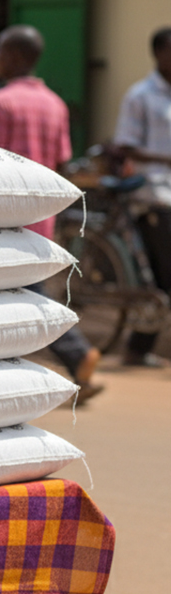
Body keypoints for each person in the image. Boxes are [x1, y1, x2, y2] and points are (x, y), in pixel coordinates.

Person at [0, 25, 102, 400]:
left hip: (2, 217)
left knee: (18, 294)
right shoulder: (55, 104)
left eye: (0, 51)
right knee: (16, 292)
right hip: (41, 216)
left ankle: (76, 354)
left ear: (13, 56)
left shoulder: (1, 103)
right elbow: (62, 162)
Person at [112, 27, 171, 368]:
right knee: (165, 274)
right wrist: (164, 160)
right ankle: (137, 348)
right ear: (158, 54)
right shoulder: (142, 96)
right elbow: (125, 144)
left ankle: (140, 347)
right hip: (154, 194)